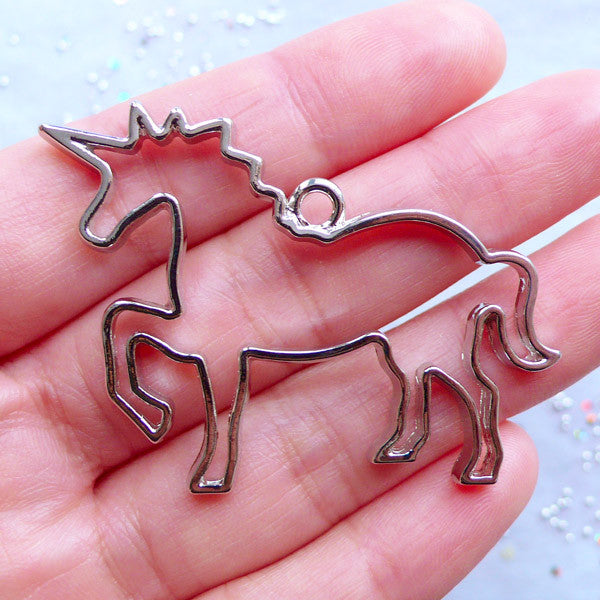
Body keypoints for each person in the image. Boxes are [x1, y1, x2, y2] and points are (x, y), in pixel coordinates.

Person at [1, 0, 599, 597]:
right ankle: (398, 437)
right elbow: (192, 335)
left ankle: (475, 448)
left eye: (113, 198)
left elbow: (209, 349)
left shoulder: (246, 257)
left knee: (438, 361)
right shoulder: (205, 265)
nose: (104, 218)